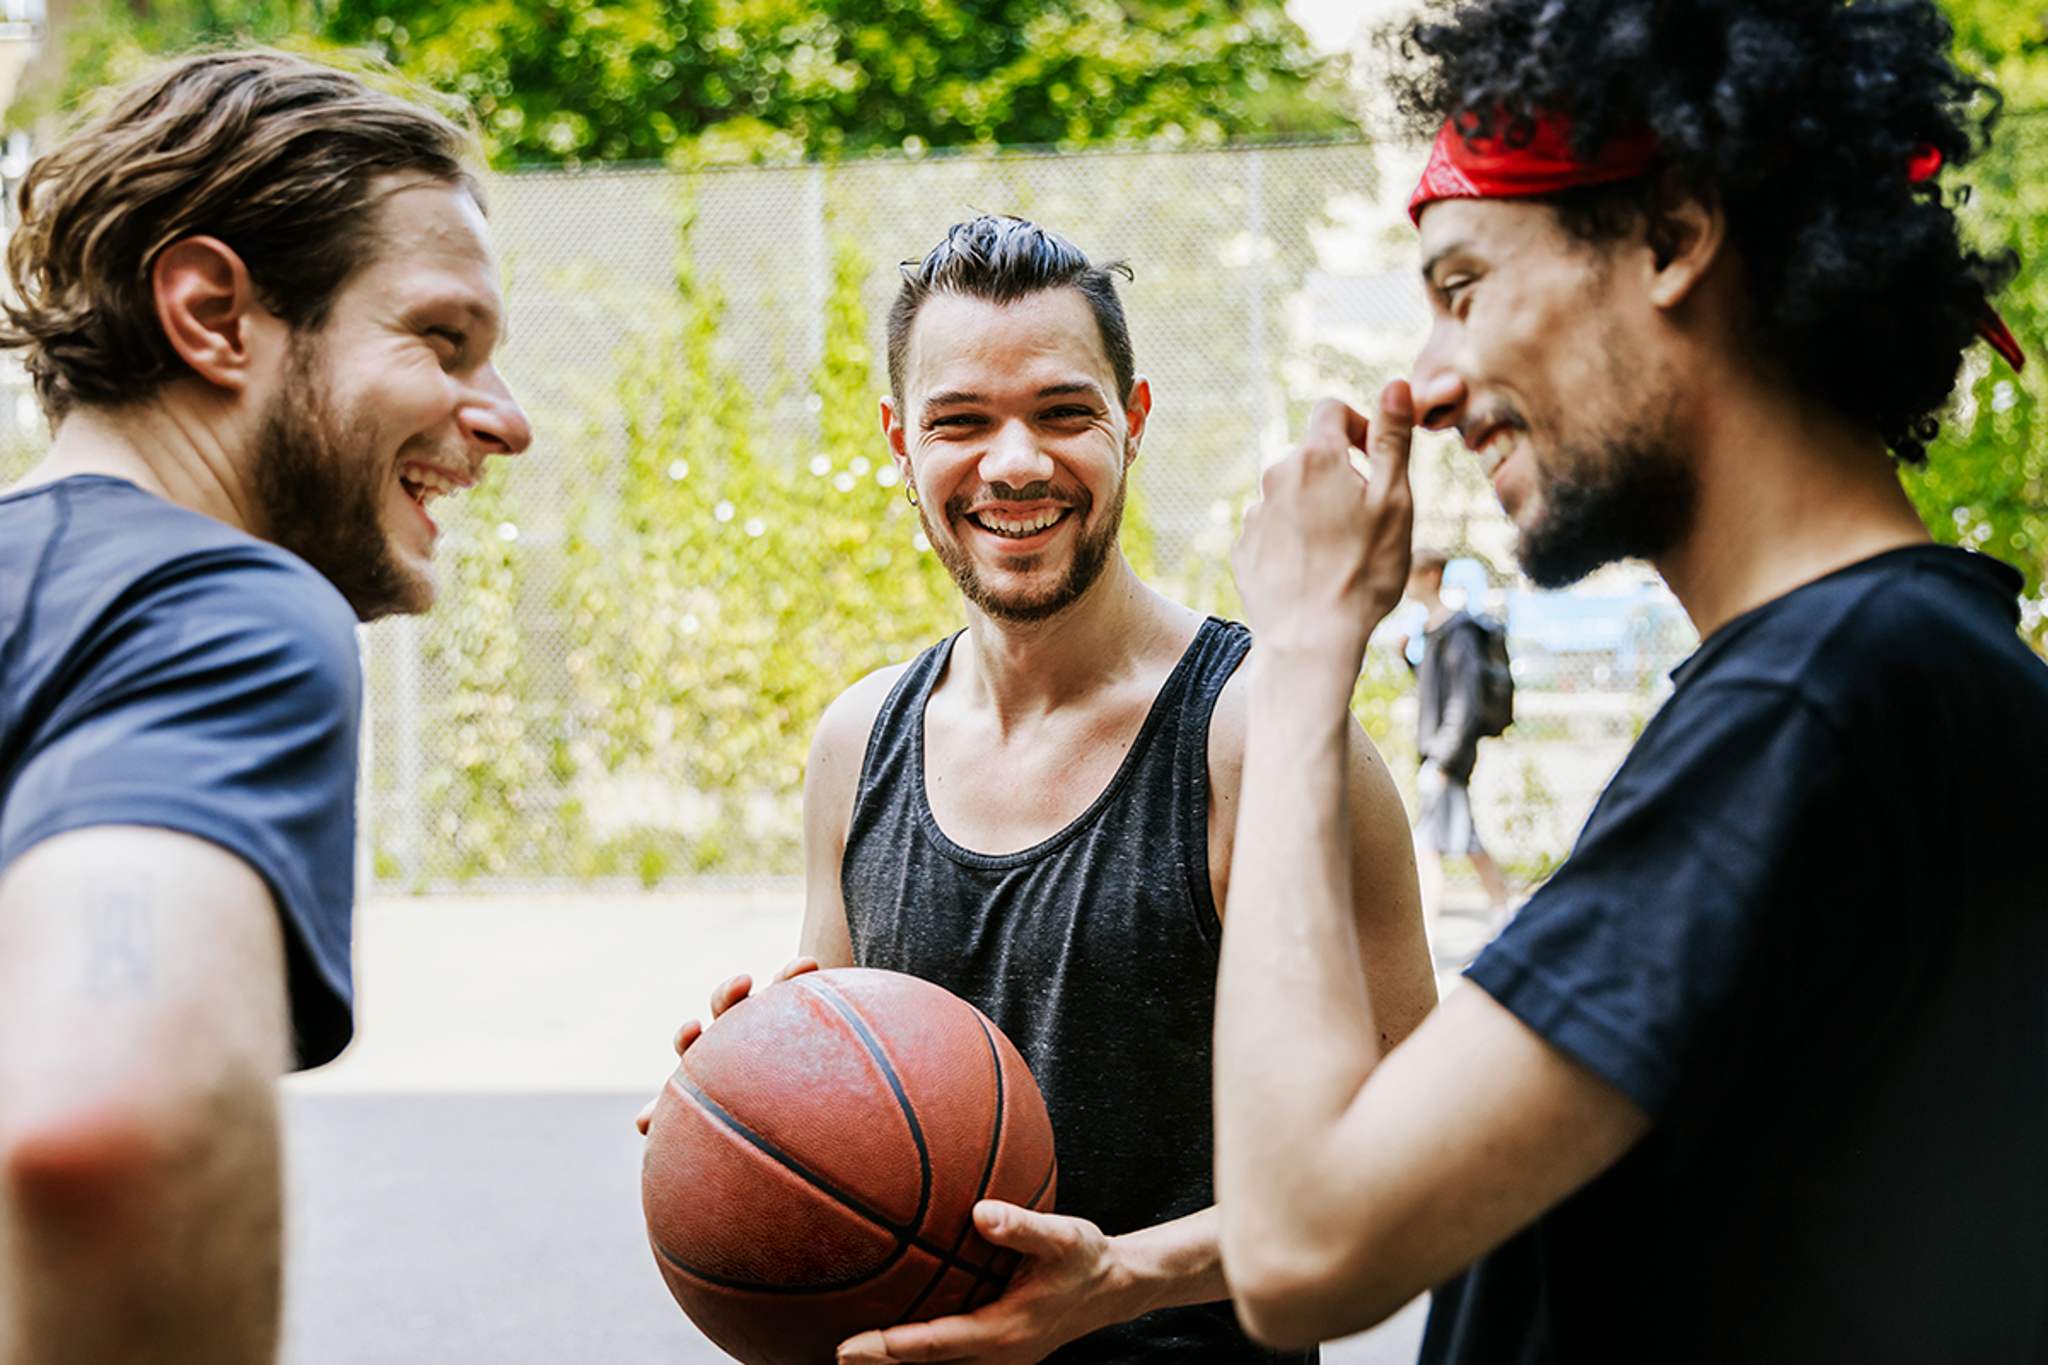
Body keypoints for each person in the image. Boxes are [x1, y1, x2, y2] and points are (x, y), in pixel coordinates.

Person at [1211, 1, 2048, 1362]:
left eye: (1462, 286)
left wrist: (1303, 657)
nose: (1425, 382)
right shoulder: (1920, 672)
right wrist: (1131, 1271)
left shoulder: (1822, 705)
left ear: (1672, 237)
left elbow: (1304, 1245)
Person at [650, 215, 1436, 1364]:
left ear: (1135, 421)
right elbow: (853, 1094)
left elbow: (1417, 1148)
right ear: (896, 442)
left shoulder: (1260, 732)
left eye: (1062, 413)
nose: (1013, 463)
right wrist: (751, 1111)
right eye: (959, 422)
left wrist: (1114, 1286)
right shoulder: (857, 742)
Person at [0, 50, 529, 1364]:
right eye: (441, 338)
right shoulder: (220, 611)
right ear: (213, 314)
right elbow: (115, 1130)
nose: (507, 421)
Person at [1400, 546, 1511, 935]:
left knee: (1430, 845)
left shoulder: (1458, 632)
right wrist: (1408, 661)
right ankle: (1500, 908)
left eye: (1409, 574)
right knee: (1463, 839)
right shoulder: (1433, 631)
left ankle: (1427, 928)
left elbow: (1464, 702)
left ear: (1431, 576)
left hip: (1448, 756)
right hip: (1439, 754)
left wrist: (1444, 761)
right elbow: (1437, 693)